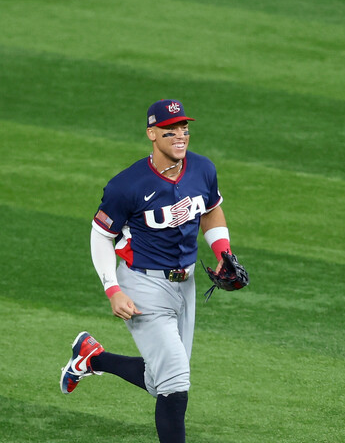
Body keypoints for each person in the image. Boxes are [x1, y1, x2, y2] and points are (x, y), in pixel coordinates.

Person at [60, 99, 237, 443]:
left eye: (183, 129)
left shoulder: (202, 169)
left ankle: (93, 358)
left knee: (162, 381)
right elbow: (101, 235)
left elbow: (211, 210)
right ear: (151, 134)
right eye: (170, 131)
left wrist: (222, 251)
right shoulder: (127, 185)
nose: (180, 136)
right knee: (176, 383)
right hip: (142, 285)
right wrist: (112, 288)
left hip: (185, 286)